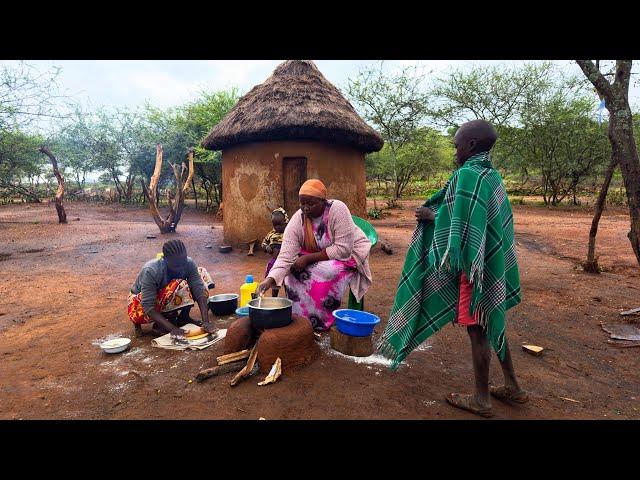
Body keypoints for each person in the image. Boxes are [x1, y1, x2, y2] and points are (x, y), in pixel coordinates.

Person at [378, 119, 527, 418]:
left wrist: (431, 216)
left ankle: (482, 400)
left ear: (471, 145)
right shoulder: (491, 176)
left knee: (478, 330)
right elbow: (482, 219)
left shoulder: (469, 176)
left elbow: (462, 224)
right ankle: (513, 386)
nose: (454, 150)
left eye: (457, 144)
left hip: (476, 267)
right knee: (490, 318)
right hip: (489, 262)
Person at [256, 179, 372, 331]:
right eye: (302, 204)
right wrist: (269, 280)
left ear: (323, 201)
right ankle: (301, 319)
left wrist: (308, 258)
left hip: (348, 254)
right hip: (316, 255)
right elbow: (285, 255)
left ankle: (321, 320)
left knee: (326, 270)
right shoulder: (299, 218)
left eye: (310, 204)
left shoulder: (337, 209)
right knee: (291, 273)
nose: (305, 209)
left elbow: (343, 249)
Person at [128, 239, 216, 338]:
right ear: (165, 258)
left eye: (183, 262)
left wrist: (206, 322)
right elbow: (148, 306)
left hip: (165, 298)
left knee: (201, 275)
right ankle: (161, 324)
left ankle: (184, 317)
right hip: (138, 306)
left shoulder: (188, 263)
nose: (181, 268)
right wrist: (173, 328)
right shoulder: (151, 270)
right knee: (179, 284)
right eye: (176, 265)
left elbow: (199, 290)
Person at [261, 207, 288, 297]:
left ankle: (289, 296)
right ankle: (274, 298)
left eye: (280, 224)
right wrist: (267, 247)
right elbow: (263, 243)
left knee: (287, 281)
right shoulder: (271, 234)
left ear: (286, 221)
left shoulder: (289, 233)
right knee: (274, 281)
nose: (277, 227)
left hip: (286, 261)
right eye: (275, 225)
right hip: (274, 262)